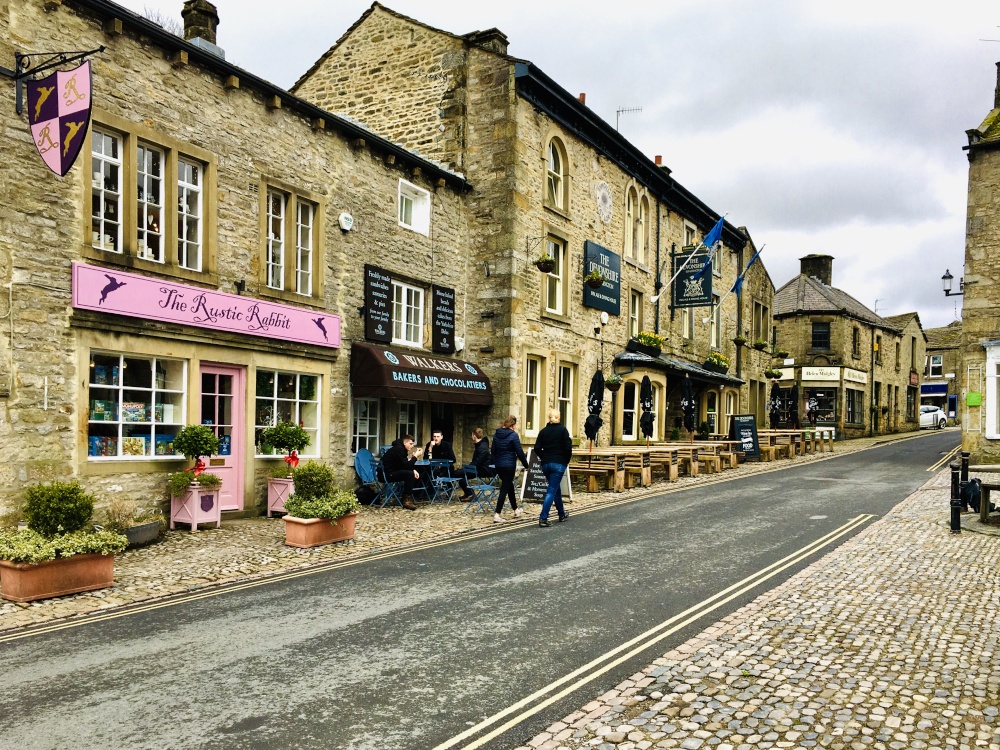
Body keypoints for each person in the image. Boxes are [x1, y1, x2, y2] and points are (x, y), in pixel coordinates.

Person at [535, 409, 572, 527]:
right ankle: (543, 518)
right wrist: (565, 461)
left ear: (549, 418)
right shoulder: (563, 431)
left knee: (555, 488)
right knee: (551, 491)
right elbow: (568, 448)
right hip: (558, 463)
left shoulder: (543, 432)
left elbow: (536, 448)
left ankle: (561, 513)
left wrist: (543, 456)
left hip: (546, 464)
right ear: (559, 418)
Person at [491, 415, 528, 522]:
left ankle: (516, 509)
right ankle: (497, 514)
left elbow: (493, 451)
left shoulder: (496, 434)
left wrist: (495, 463)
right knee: (504, 489)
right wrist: (526, 465)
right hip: (509, 465)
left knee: (509, 485)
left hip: (499, 465)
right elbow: (520, 452)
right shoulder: (513, 435)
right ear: (512, 425)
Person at [424, 429, 472, 499]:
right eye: (434, 436)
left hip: (445, 468)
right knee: (426, 471)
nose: (436, 438)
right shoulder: (429, 445)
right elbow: (426, 459)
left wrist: (441, 463)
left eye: (438, 436)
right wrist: (430, 448)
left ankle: (448, 492)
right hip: (433, 467)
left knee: (448, 470)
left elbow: (453, 459)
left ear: (441, 437)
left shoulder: (447, 445)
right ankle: (428, 494)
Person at [380, 434, 422, 510]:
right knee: (410, 475)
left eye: (413, 444)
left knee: (412, 473)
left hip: (390, 472)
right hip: (388, 475)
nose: (412, 446)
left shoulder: (400, 448)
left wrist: (413, 469)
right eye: (410, 444)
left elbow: (403, 464)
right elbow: (406, 465)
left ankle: (409, 496)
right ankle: (406, 500)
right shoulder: (399, 449)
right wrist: (415, 457)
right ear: (405, 443)